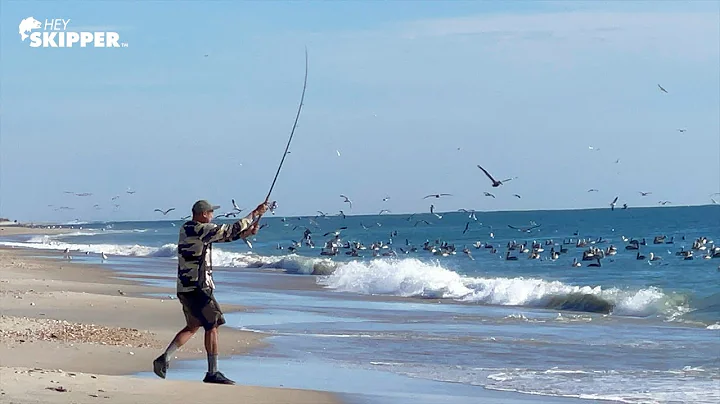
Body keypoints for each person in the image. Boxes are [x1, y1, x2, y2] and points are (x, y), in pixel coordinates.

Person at [153, 199, 268, 384]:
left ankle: (164, 358)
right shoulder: (198, 229)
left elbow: (226, 237)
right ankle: (212, 372)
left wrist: (247, 233)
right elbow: (228, 229)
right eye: (211, 213)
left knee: (193, 326)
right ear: (203, 214)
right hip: (199, 287)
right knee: (212, 325)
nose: (213, 215)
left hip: (185, 288)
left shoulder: (189, 229)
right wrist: (254, 213)